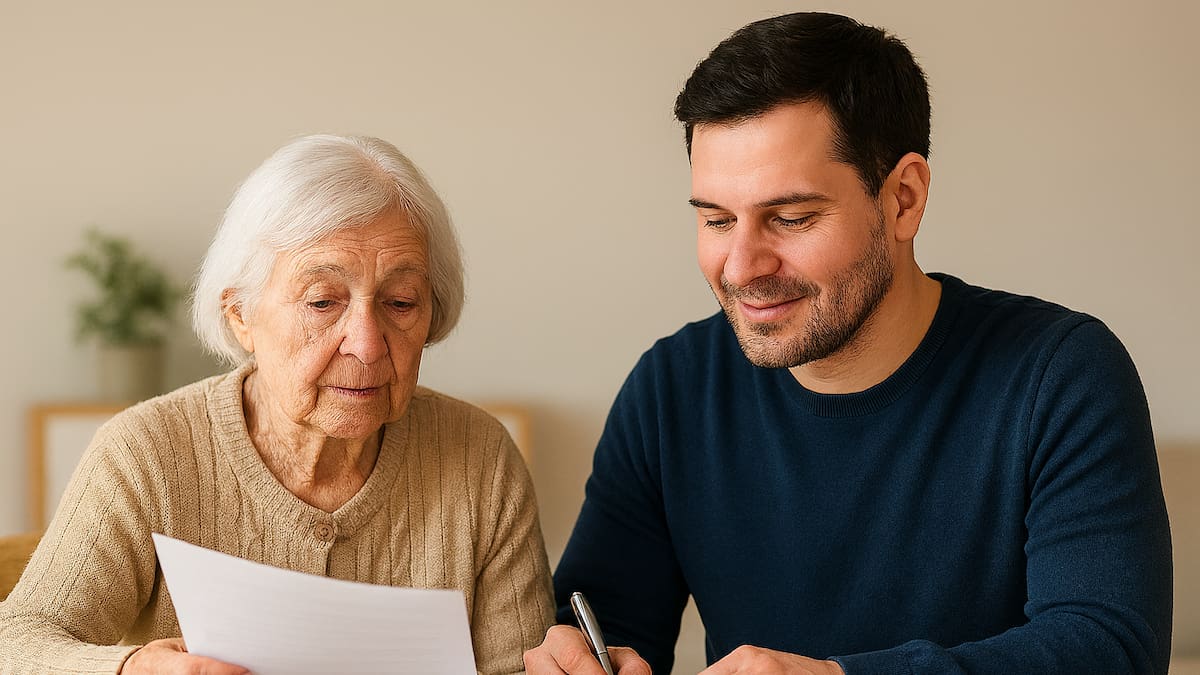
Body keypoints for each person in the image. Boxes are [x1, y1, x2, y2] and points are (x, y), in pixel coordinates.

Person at [524, 12, 1172, 675]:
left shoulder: (1061, 373)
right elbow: (605, 627)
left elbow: (1109, 647)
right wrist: (574, 657)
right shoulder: (672, 387)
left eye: (791, 217)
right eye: (716, 219)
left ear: (904, 199)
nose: (742, 266)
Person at [0, 134, 554, 674]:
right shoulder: (147, 453)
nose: (365, 342)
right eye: (322, 301)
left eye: (400, 301)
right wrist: (126, 669)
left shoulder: (482, 459)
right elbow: (17, 640)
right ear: (241, 314)